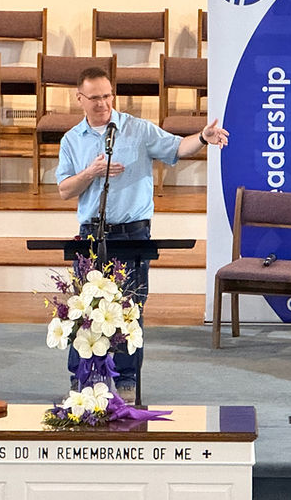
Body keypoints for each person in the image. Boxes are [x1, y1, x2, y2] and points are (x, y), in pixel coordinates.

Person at [57, 67, 228, 402]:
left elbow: (178, 147)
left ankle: (125, 383)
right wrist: (91, 172)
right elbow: (64, 189)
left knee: (128, 311)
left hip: (133, 233)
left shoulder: (137, 130)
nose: (103, 103)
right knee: (85, 310)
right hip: (92, 233)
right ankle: (81, 381)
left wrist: (203, 138)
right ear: (80, 99)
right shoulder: (72, 140)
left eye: (107, 96)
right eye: (94, 98)